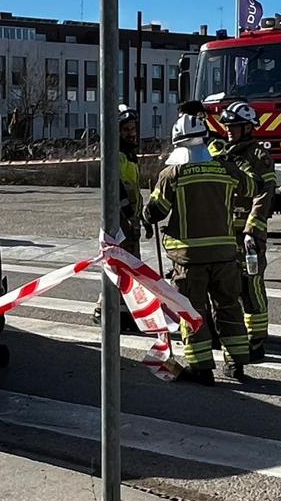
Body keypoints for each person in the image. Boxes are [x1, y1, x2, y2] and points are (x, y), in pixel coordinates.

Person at [144, 113, 253, 384]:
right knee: (229, 306)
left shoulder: (173, 173)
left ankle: (201, 368)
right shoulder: (225, 170)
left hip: (189, 257)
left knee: (193, 311)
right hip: (226, 255)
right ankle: (236, 364)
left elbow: (157, 210)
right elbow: (252, 186)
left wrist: (146, 216)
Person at [217, 100, 276, 362]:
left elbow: (264, 195)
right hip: (226, 232)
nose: (229, 130)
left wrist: (253, 230)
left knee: (251, 285)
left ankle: (256, 341)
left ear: (248, 128)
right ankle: (236, 334)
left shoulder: (259, 156)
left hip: (248, 235)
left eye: (235, 126)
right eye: (228, 126)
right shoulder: (222, 153)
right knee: (228, 285)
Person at [93, 104, 147, 329]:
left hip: (130, 220)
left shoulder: (129, 155)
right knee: (120, 268)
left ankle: (117, 311)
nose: (132, 133)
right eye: (126, 129)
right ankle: (109, 312)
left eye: (133, 128)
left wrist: (142, 217)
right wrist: (127, 217)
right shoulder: (114, 155)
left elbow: (133, 188)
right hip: (119, 223)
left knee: (126, 268)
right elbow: (116, 189)